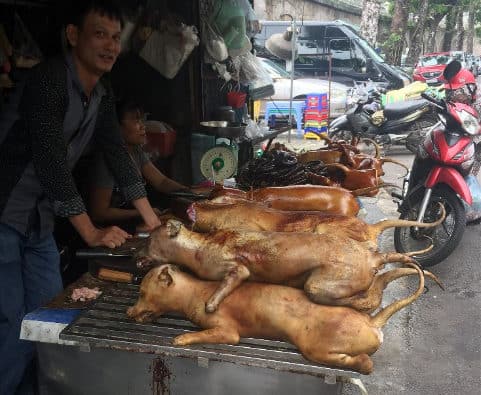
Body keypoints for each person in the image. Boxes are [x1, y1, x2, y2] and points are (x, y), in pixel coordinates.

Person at [0, 1, 161, 393]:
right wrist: (90, 232)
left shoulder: (102, 95)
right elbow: (51, 164)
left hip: (38, 222)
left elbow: (118, 156)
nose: (109, 46)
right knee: (11, 321)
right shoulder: (48, 80)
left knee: (50, 319)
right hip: (4, 213)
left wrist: (155, 225)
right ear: (74, 36)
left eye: (115, 37)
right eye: (99, 34)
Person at [89, 100, 189, 230]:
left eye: (142, 120)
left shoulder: (136, 151)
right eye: (136, 121)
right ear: (117, 127)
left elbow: (161, 182)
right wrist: (143, 212)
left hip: (133, 224)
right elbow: (99, 213)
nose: (143, 126)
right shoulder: (106, 160)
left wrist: (190, 192)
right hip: (110, 231)